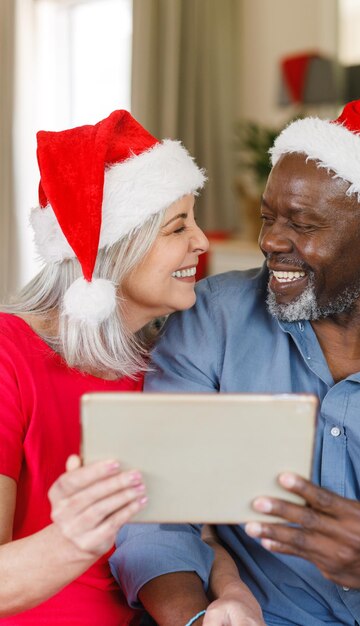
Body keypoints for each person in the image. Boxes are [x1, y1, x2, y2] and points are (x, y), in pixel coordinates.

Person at [110, 99, 360, 626]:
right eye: (269, 217)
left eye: (303, 224)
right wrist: (194, 619)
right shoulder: (213, 318)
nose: (270, 242)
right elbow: (154, 511)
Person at [0, 109, 211, 624]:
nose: (202, 242)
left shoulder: (170, 365)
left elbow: (196, 537)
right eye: (178, 227)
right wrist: (72, 539)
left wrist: (229, 600)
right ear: (111, 250)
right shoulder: (9, 354)